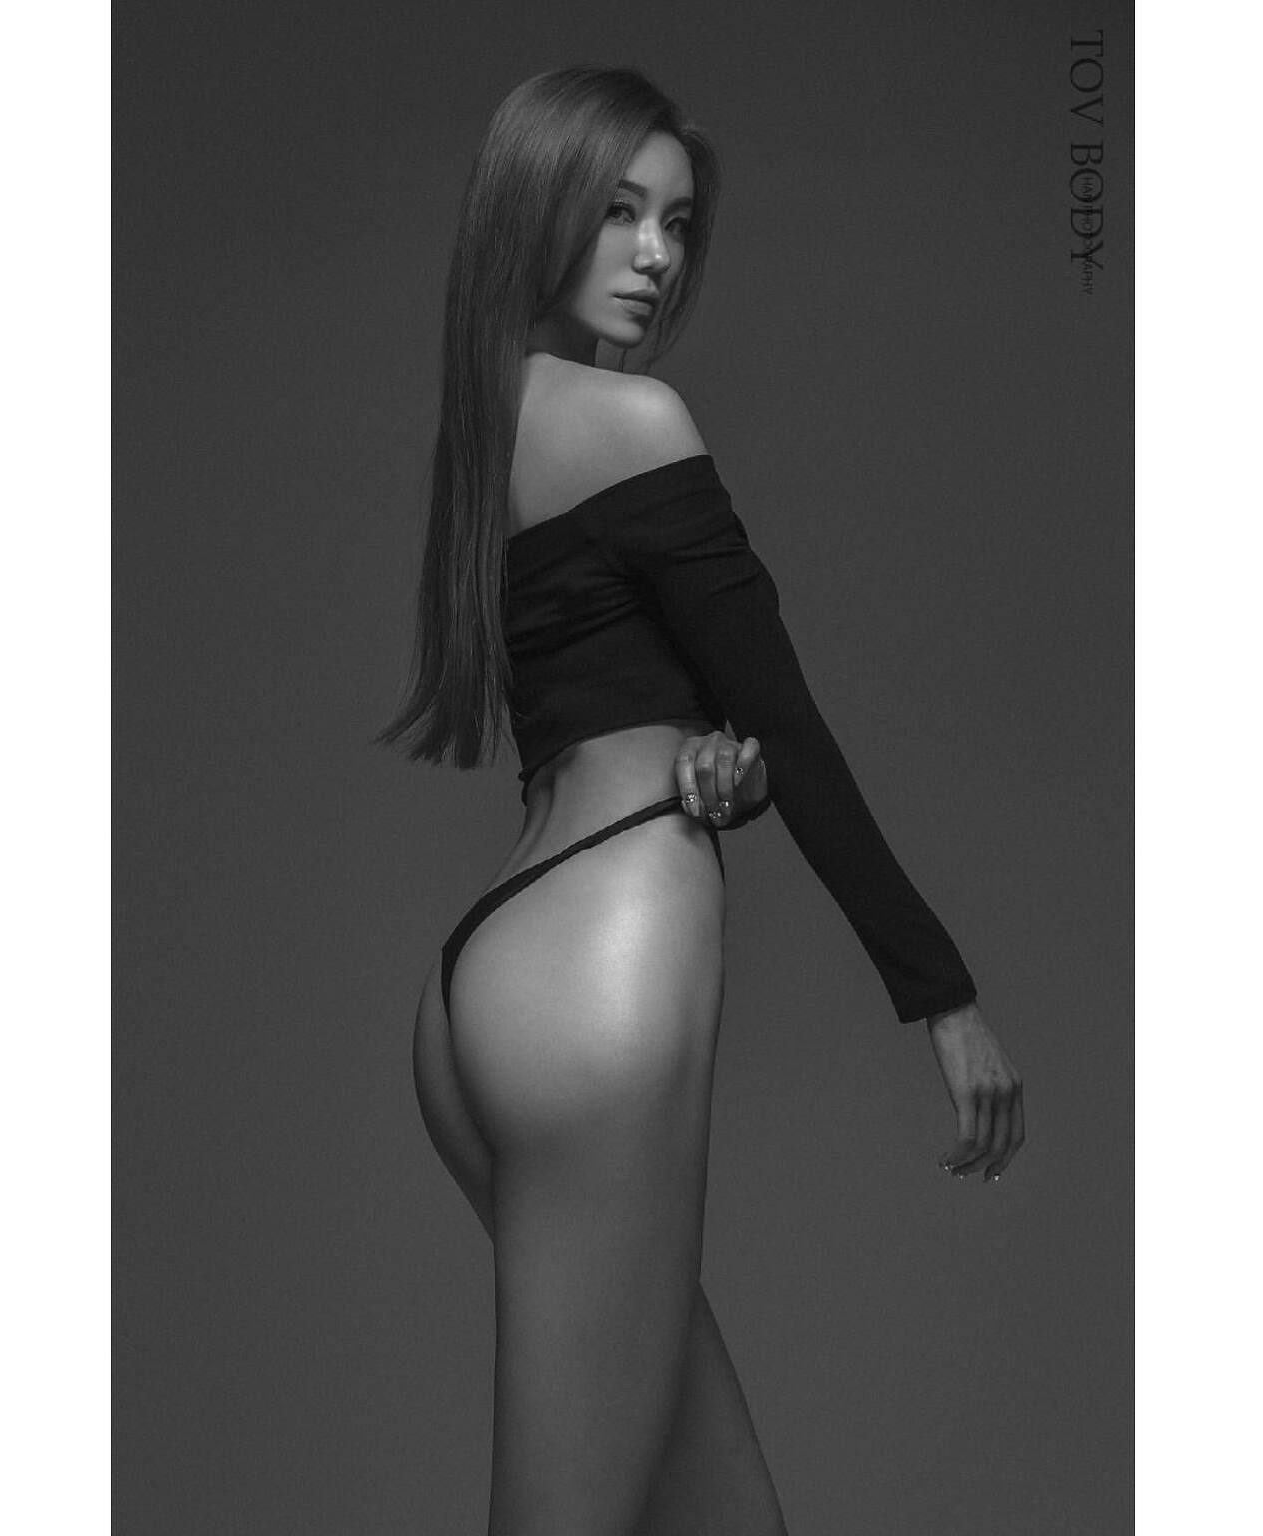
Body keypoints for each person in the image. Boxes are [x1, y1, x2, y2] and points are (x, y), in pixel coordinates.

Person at [375, 63, 1024, 1536]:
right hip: (605, 965)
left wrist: (716, 768)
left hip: (496, 970)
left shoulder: (486, 426)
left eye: (675, 221)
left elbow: (611, 714)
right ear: (538, 207)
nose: (657, 255)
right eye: (619, 213)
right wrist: (941, 997)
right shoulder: (637, 419)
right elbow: (787, 714)